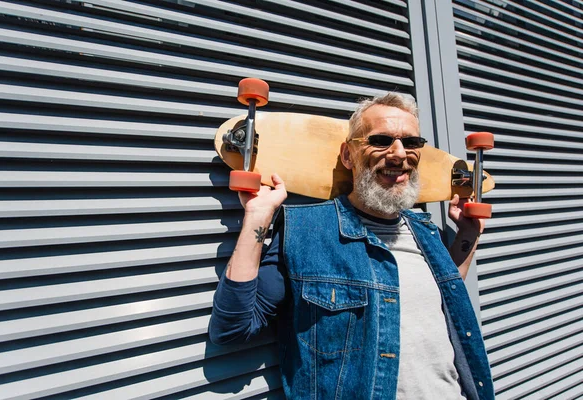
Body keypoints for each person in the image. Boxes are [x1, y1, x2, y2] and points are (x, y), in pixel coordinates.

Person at [209, 93, 494, 400]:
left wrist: (468, 235)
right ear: (348, 155)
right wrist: (257, 218)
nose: (399, 154)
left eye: (411, 143)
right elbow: (232, 329)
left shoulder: (426, 231)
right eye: (381, 140)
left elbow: (438, 301)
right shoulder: (306, 233)